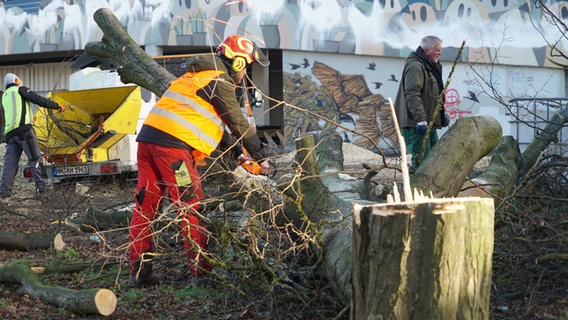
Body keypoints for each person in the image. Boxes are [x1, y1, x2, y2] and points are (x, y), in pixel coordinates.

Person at [128, 34, 270, 287]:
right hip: (173, 151)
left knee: (145, 207)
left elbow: (215, 122)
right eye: (246, 65)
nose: (246, 71)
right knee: (189, 207)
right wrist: (261, 157)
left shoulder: (191, 77)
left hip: (147, 142)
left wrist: (237, 154)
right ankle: (201, 275)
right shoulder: (219, 81)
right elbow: (237, 122)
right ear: (237, 63)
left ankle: (140, 274)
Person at [0, 73, 65, 198]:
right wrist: (57, 106)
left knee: (10, 164)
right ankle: (42, 190)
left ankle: (4, 193)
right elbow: (37, 99)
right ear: (16, 81)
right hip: (24, 132)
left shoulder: (5, 96)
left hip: (10, 135)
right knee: (35, 158)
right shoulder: (20, 89)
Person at [393, 35, 450, 170]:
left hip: (426, 122)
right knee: (422, 162)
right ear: (427, 51)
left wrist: (441, 116)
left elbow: (434, 95)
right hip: (415, 123)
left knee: (434, 158)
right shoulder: (415, 66)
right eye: (437, 50)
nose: (440, 53)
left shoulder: (429, 66)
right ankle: (418, 189)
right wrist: (420, 120)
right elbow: (412, 94)